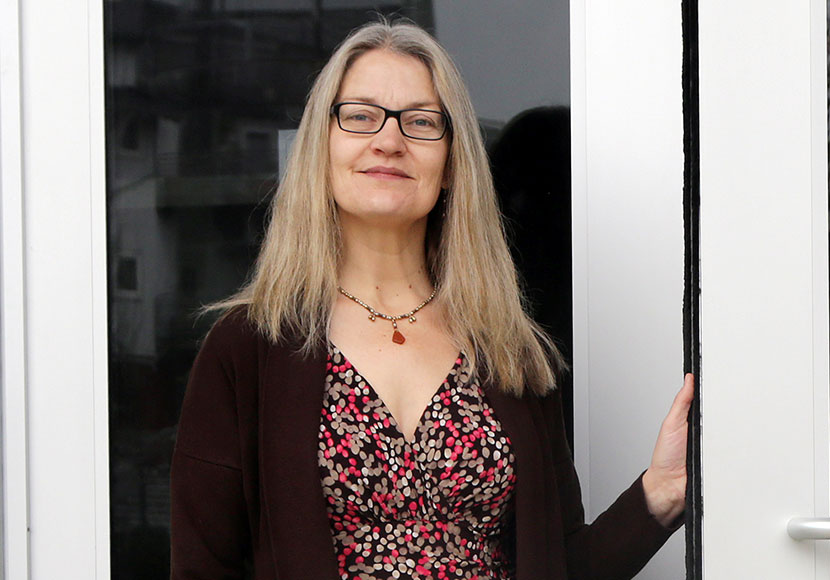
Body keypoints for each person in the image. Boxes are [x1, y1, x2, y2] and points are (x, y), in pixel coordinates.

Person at [169, 19, 695, 580]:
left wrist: (660, 493)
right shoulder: (248, 348)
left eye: (420, 122)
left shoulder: (504, 347)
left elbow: (559, 565)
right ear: (321, 149)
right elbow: (204, 569)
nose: (389, 141)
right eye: (360, 116)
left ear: (450, 165)